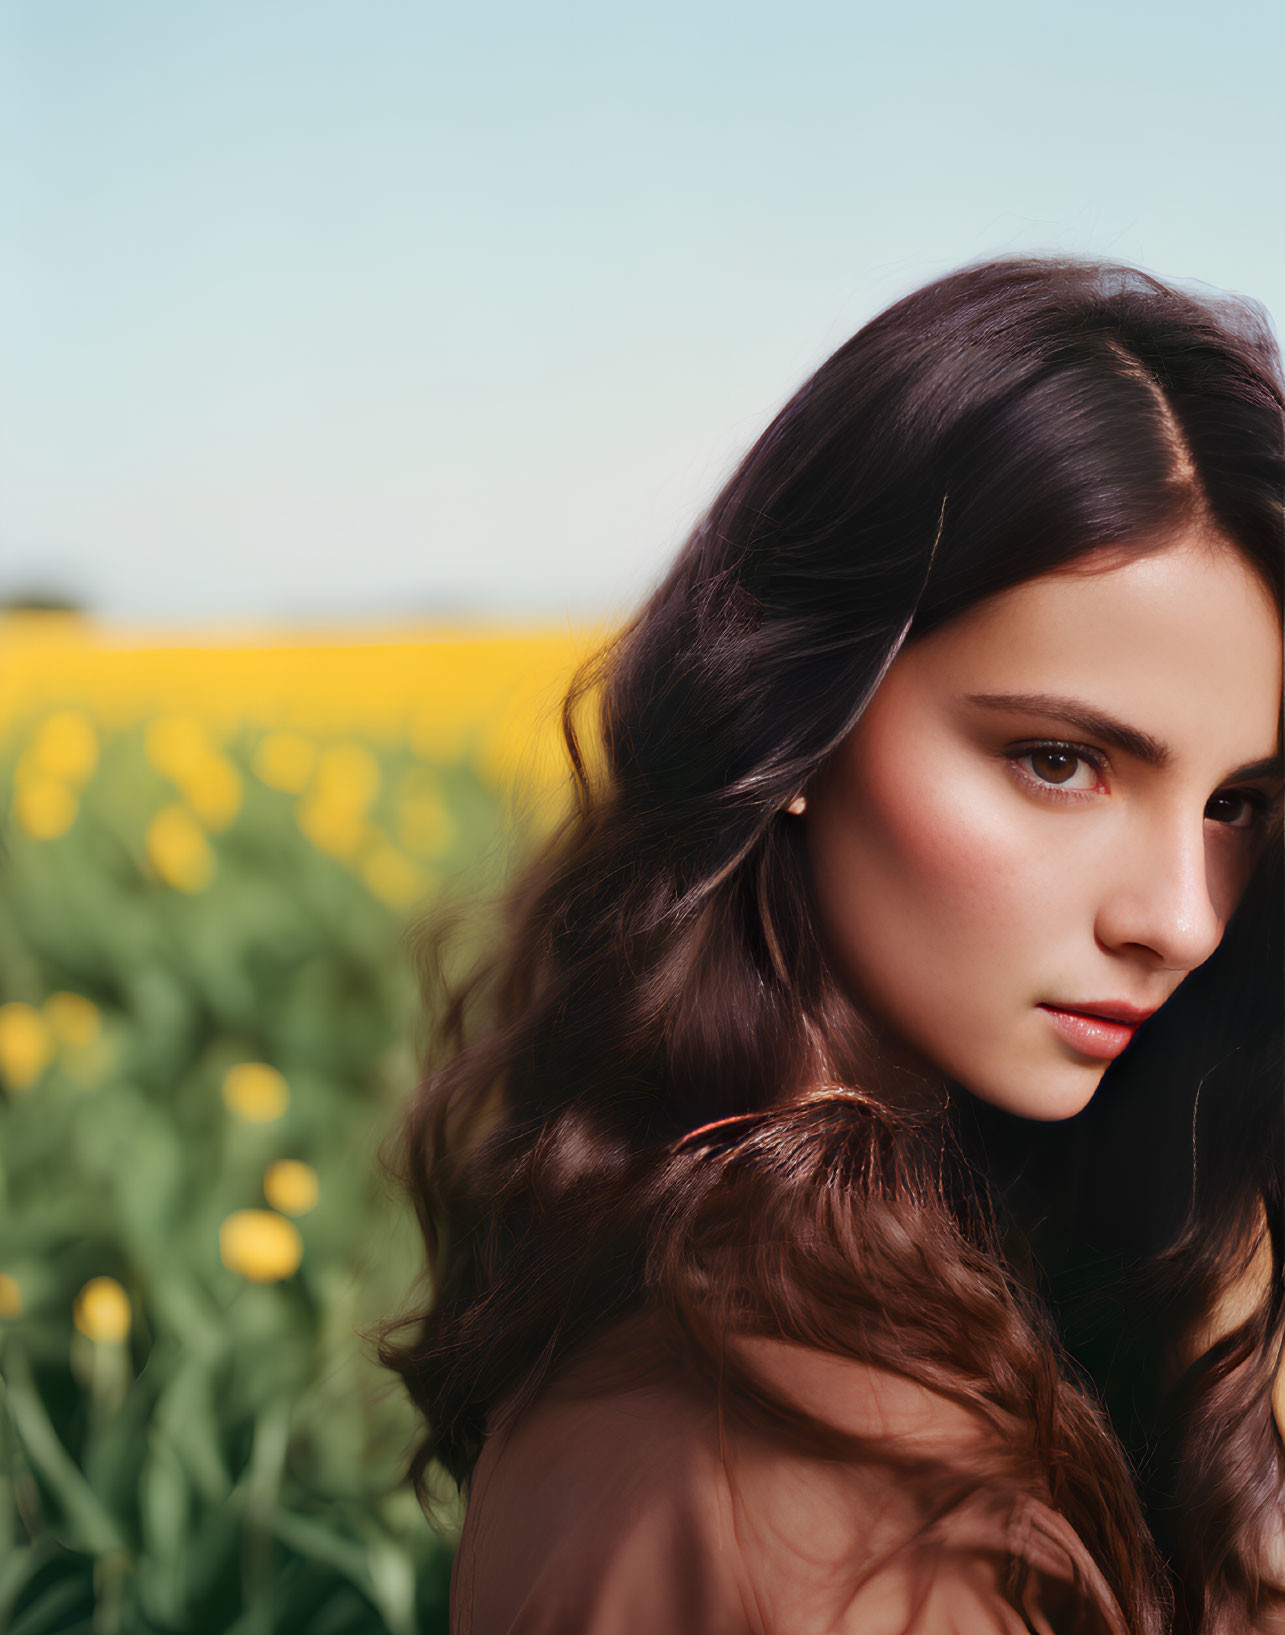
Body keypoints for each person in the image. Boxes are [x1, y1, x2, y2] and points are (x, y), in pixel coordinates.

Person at [380, 257, 1285, 1634]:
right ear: (799, 704)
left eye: (1235, 806)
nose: (1177, 919)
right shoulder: (816, 1487)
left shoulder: (705, 1263)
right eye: (1057, 762)